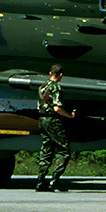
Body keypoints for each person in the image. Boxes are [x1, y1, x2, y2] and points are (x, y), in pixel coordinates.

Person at [35, 64, 75, 192]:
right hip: (52, 120)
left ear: (50, 73)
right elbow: (57, 108)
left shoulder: (42, 87)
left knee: (46, 149)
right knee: (64, 149)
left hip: (42, 119)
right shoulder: (56, 87)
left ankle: (40, 181)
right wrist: (69, 115)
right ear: (61, 75)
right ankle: (55, 180)